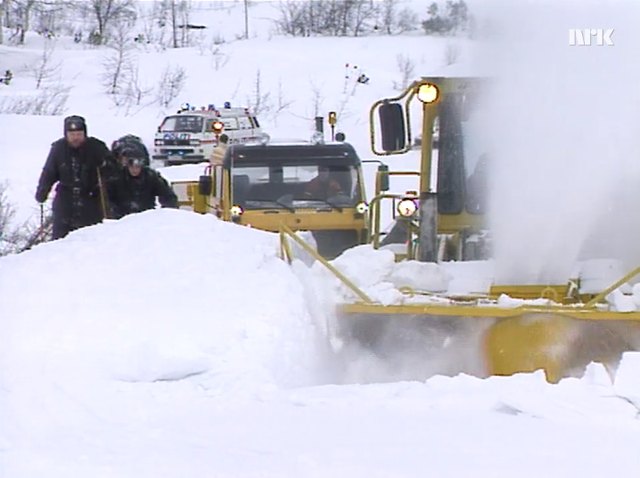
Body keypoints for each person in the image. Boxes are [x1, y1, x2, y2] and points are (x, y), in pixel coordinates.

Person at [35, 115, 117, 240]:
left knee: (89, 238)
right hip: (65, 199)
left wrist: (107, 166)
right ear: (66, 134)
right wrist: (42, 190)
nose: (75, 138)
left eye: (79, 134)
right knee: (59, 239)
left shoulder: (96, 146)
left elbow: (113, 170)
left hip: (90, 199)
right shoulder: (58, 148)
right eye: (72, 134)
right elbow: (49, 172)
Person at [107, 148, 178, 218]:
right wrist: (114, 212)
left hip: (146, 217)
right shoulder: (117, 178)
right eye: (132, 167)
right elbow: (108, 199)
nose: (134, 170)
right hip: (122, 218)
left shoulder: (151, 176)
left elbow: (167, 194)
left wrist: (167, 212)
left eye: (137, 167)